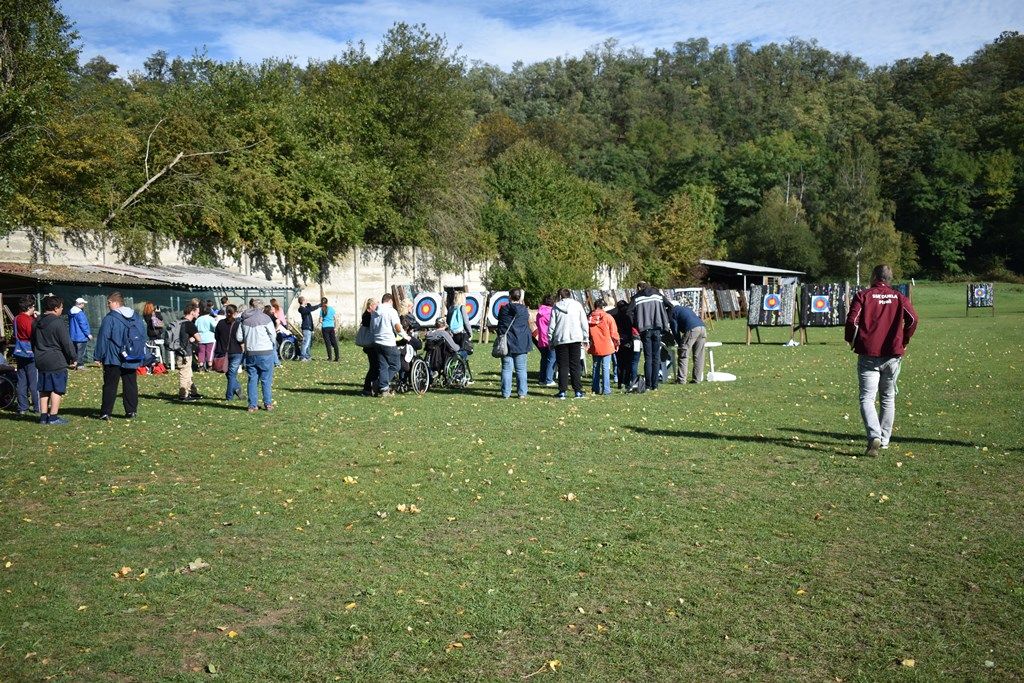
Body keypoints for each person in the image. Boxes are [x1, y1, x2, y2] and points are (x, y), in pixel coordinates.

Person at [845, 264, 919, 457]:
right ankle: (884, 440)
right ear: (889, 278)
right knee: (888, 398)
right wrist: (904, 339)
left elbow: (852, 321)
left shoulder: (863, 295)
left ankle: (873, 435)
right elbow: (913, 319)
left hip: (869, 355)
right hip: (893, 356)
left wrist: (851, 341)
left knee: (867, 398)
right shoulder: (899, 297)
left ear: (874, 277)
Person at [93, 291, 146, 419]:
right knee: (130, 384)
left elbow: (103, 338)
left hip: (113, 356)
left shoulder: (110, 318)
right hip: (131, 355)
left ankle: (106, 412)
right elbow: (143, 336)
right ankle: (131, 411)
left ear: (116, 302)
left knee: (110, 385)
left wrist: (98, 356)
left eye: (109, 302)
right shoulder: (136, 317)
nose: (108, 305)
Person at [31, 295, 77, 425]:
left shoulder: (36, 321)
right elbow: (66, 343)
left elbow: (32, 341)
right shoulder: (57, 322)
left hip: (40, 359)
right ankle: (53, 417)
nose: (62, 310)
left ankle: (43, 416)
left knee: (44, 388)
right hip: (55, 360)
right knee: (57, 388)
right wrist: (73, 357)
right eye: (61, 307)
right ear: (56, 308)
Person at [236, 298, 277, 412]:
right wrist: (271, 344)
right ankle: (268, 403)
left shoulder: (244, 319)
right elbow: (273, 335)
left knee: (252, 379)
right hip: (265, 352)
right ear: (262, 308)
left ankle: (252, 405)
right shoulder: (266, 318)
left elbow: (239, 337)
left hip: (250, 353)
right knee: (266, 379)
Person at [629, 282, 671, 391]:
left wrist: (636, 323)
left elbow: (629, 312)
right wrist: (665, 318)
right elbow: (670, 306)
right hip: (657, 328)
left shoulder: (637, 298)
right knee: (656, 357)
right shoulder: (658, 295)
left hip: (644, 329)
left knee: (648, 358)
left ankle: (647, 385)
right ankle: (655, 385)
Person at [548, 288, 589, 399]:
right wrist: (586, 338)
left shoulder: (556, 307)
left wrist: (550, 339)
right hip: (575, 338)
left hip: (561, 339)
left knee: (562, 366)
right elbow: (584, 322)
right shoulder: (577, 305)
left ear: (560, 296)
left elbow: (552, 325)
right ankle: (578, 391)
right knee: (575, 365)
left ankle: (562, 391)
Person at [496, 288, 531, 399]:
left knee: (506, 368)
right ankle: (522, 393)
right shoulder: (524, 310)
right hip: (521, 342)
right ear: (520, 297)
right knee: (521, 369)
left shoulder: (503, 309)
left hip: (506, 342)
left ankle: (506, 393)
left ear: (509, 297)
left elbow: (500, 323)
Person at [12, 297, 40, 415]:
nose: (34, 308)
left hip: (19, 352)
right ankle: (37, 406)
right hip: (30, 352)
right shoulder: (29, 320)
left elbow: (15, 333)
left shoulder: (16, 318)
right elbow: (32, 334)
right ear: (29, 307)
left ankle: (22, 407)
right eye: (33, 306)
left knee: (21, 380)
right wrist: (37, 318)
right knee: (34, 381)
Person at [371, 293, 403, 395]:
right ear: (390, 301)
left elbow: (372, 328)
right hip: (388, 342)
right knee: (396, 365)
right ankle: (380, 384)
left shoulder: (375, 312)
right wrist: (405, 336)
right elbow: (397, 327)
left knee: (383, 366)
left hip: (377, 342)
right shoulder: (391, 311)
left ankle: (384, 390)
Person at [588, 300, 619, 395]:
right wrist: (617, 343)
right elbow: (613, 332)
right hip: (607, 345)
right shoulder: (608, 317)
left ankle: (595, 388)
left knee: (595, 367)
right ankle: (606, 389)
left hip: (595, 345)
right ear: (603, 307)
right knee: (605, 367)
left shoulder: (589, 317)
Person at [671, 301, 707, 383]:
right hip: (702, 328)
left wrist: (679, 343)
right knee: (699, 355)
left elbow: (675, 329)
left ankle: (681, 379)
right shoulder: (685, 309)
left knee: (683, 353)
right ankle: (697, 379)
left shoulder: (673, 312)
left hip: (692, 329)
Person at [215, 304, 243, 400]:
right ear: (235, 313)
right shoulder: (238, 324)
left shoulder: (220, 323)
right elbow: (241, 338)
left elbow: (216, 337)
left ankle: (233, 392)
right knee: (231, 374)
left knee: (229, 374)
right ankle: (231, 394)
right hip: (236, 351)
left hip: (223, 351)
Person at [175, 303, 202, 402]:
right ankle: (183, 395)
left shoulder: (179, 322)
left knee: (188, 373)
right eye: (197, 312)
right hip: (186, 352)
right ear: (192, 312)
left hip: (179, 351)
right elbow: (199, 338)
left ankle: (193, 392)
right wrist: (193, 339)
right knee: (184, 374)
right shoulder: (189, 324)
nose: (198, 314)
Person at [359, 298, 380, 396]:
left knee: (374, 366)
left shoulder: (370, 315)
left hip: (371, 345)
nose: (377, 306)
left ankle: (371, 387)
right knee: (374, 366)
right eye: (376, 304)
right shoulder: (367, 315)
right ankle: (368, 387)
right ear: (370, 306)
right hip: (370, 345)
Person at [534, 294, 556, 386]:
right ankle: (549, 379)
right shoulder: (552, 312)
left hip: (541, 339)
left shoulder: (539, 312)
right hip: (550, 339)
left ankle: (542, 379)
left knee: (544, 359)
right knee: (551, 359)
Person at [68, 296, 92, 370]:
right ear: (80, 304)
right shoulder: (80, 313)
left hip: (73, 336)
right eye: (83, 304)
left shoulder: (71, 312)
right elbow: (83, 324)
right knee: (81, 352)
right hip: (81, 336)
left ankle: (74, 364)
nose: (84, 305)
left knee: (75, 351)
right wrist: (88, 334)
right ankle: (80, 365)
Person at [195, 306, 218, 371]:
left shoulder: (198, 319)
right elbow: (215, 326)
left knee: (201, 352)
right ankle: (210, 365)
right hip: (210, 338)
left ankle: (201, 365)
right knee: (210, 352)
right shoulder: (211, 318)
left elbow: (195, 327)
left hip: (201, 338)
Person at [317, 297, 339, 361]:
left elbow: (320, 320)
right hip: (331, 327)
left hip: (325, 327)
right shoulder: (331, 309)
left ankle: (330, 358)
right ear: (327, 302)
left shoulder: (322, 310)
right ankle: (337, 357)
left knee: (328, 343)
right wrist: (336, 327)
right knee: (334, 342)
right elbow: (335, 319)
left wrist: (323, 322)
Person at [296, 296, 317, 361]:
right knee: (305, 342)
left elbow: (310, 310)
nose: (306, 301)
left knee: (309, 343)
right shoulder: (301, 309)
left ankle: (307, 356)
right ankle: (302, 356)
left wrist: (308, 304)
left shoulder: (306, 308)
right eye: (305, 300)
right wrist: (319, 305)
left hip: (309, 328)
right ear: (302, 301)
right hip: (306, 328)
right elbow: (310, 309)